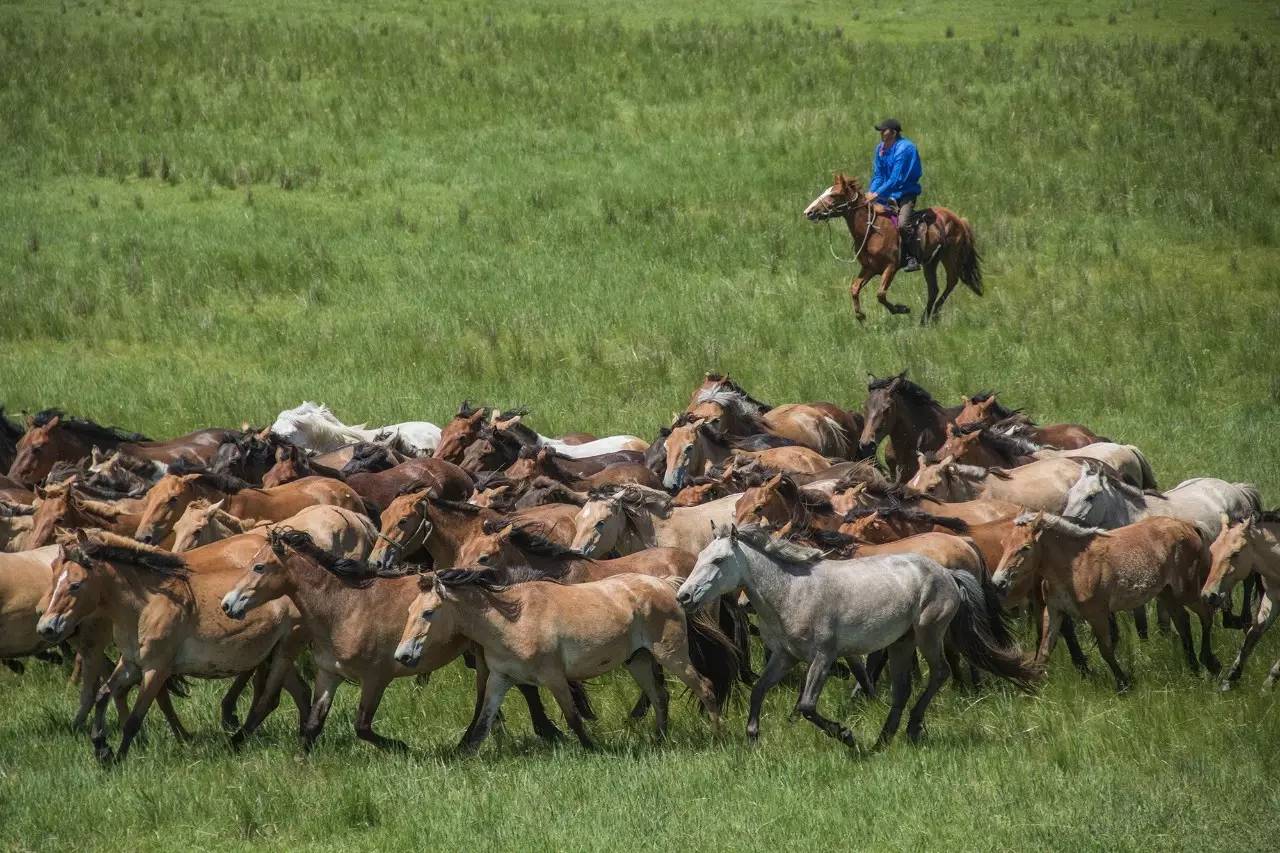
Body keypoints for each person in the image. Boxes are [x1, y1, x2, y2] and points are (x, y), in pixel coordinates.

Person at [866, 118, 924, 272]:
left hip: (905, 193)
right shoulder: (880, 149)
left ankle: (912, 257)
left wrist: (877, 194)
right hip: (886, 194)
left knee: (902, 224)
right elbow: (878, 175)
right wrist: (871, 192)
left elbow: (895, 179)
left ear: (893, 133)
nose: (881, 133)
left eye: (883, 130)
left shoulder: (905, 149)